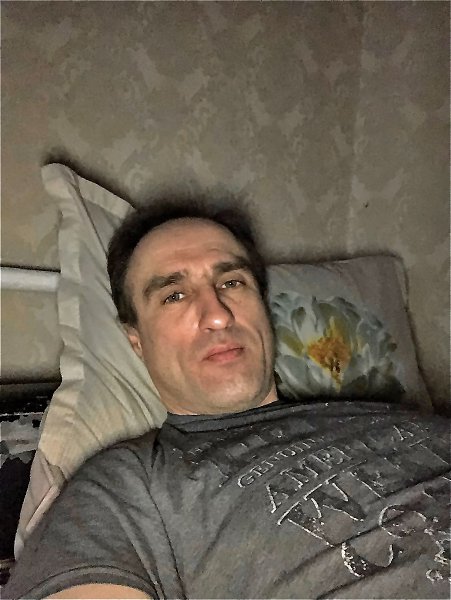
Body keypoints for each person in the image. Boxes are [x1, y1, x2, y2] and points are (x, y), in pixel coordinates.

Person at [5, 201, 450, 599]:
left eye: (232, 282)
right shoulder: (126, 486)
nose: (217, 314)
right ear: (136, 342)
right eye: (174, 295)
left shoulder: (389, 411)